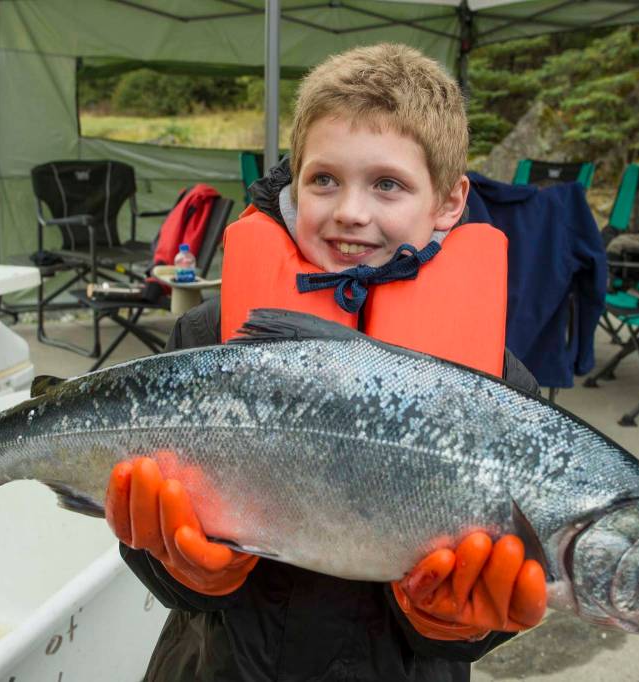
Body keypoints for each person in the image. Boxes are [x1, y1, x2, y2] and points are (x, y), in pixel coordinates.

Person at [105, 43, 547, 681]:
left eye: (387, 184)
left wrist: (460, 627)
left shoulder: (499, 390)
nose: (350, 212)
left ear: (450, 202)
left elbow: (507, 588)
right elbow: (145, 532)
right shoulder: (210, 336)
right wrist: (180, 571)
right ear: (292, 187)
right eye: (324, 180)